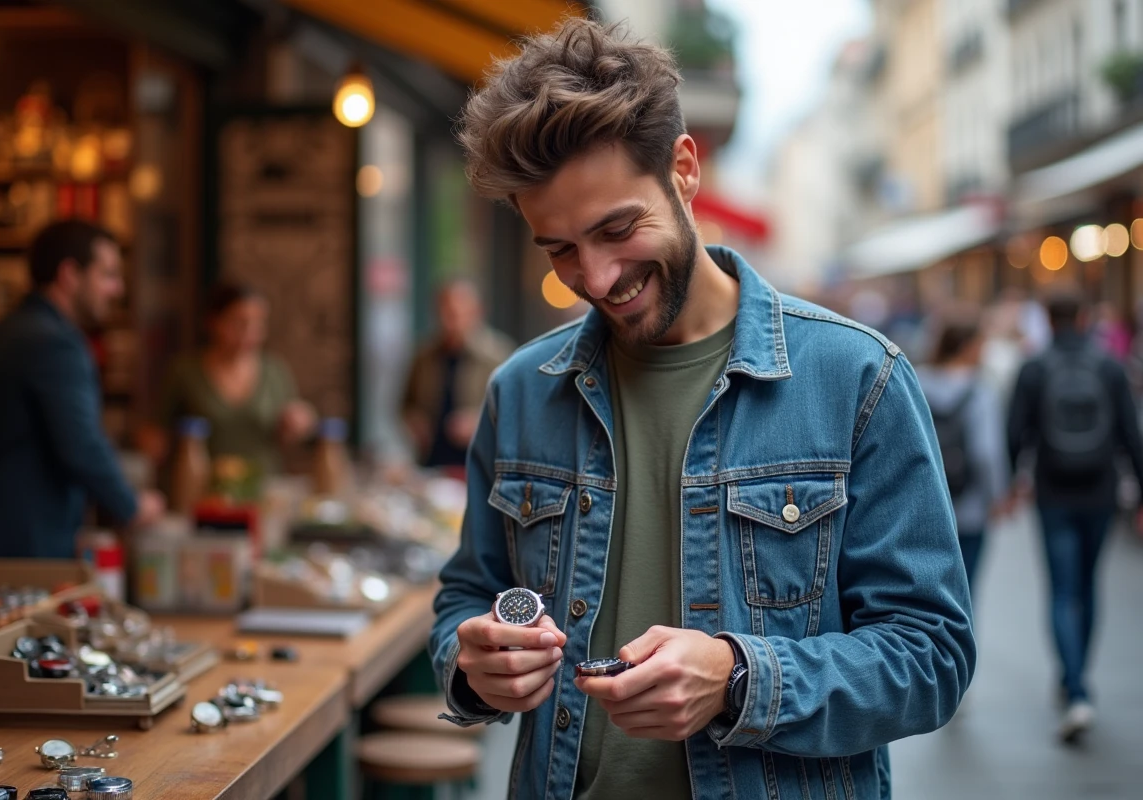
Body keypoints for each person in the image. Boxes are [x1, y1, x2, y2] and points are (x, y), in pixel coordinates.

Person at [429, 18, 975, 800]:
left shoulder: (858, 377)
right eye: (561, 249)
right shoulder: (519, 391)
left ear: (684, 169)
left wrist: (740, 677)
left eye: (618, 228)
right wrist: (472, 664)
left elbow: (933, 656)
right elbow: (466, 597)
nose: (597, 277)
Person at [0, 220, 164, 580]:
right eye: (108, 275)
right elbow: (82, 446)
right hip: (29, 552)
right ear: (69, 275)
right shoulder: (57, 344)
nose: (117, 289)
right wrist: (132, 506)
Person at [1007, 289, 1143, 744]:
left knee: (1062, 590)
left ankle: (1074, 686)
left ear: (1048, 319)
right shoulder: (1109, 366)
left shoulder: (1034, 367)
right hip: (1101, 490)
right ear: (1085, 318)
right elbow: (1131, 432)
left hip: (1053, 490)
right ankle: (1079, 678)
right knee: (1088, 585)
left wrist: (1012, 481)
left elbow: (1014, 431)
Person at [138, 283, 317, 481]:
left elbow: (287, 432)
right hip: (201, 484)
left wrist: (298, 423)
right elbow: (157, 433)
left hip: (262, 483)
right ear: (214, 321)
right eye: (239, 322)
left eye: (258, 324)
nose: (250, 332)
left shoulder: (275, 371)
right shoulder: (185, 372)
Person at [918, 310, 1011, 603]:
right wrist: (997, 496)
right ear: (969, 346)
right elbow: (986, 453)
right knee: (965, 591)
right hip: (969, 507)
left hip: (924, 505)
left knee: (926, 592)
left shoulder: (916, 381)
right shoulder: (981, 391)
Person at [400, 279, 513, 469]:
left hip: (482, 464)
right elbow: (406, 404)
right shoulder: (424, 356)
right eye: (443, 313)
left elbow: (516, 413)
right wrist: (415, 422)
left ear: (476, 312)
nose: (448, 322)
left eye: (455, 314)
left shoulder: (498, 356)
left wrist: (479, 423)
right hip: (431, 462)